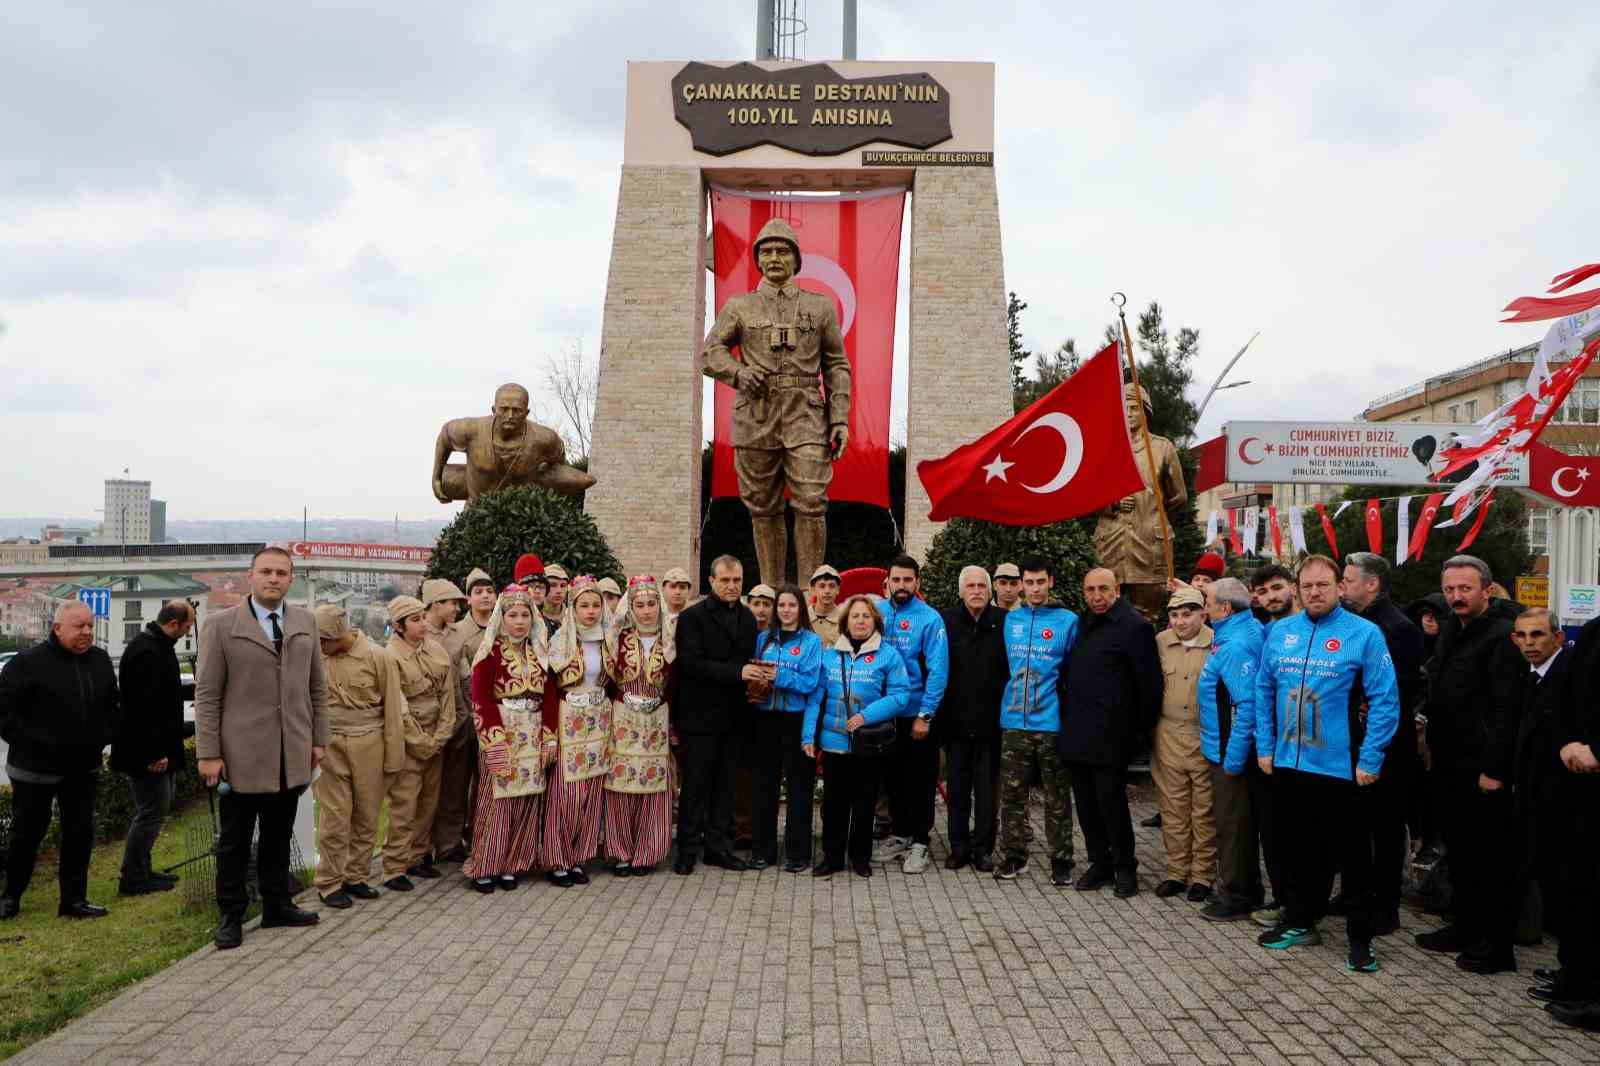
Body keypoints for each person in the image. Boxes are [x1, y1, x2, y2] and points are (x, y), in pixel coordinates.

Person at [1253, 555, 1399, 973]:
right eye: (1307, 585)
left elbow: (1386, 700)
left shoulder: (1364, 634)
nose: (1315, 592)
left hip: (1342, 767)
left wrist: (1370, 757)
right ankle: (1301, 921)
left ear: (1340, 587)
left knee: (1354, 858)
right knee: (1298, 851)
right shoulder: (1281, 632)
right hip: (1289, 764)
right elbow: (1264, 689)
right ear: (1297, 589)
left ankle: (1361, 940)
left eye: (1323, 584)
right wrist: (1265, 746)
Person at [701, 216, 853, 586]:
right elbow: (710, 353)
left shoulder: (820, 307)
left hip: (807, 416)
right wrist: (738, 373)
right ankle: (770, 592)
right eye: (766, 251)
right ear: (757, 260)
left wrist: (840, 418)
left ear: (796, 260)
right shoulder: (740, 306)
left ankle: (810, 595)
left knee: (811, 501)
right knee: (762, 507)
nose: (774, 258)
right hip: (756, 414)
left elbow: (836, 364)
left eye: (782, 251)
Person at [195, 546, 329, 949]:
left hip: (291, 752)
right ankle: (231, 915)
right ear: (250, 576)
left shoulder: (305, 622)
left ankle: (277, 904)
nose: (274, 579)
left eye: (281, 573)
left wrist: (319, 739)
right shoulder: (221, 626)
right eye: (266, 571)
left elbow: (317, 688)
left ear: (291, 580)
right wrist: (208, 753)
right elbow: (207, 695)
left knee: (278, 834)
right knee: (234, 841)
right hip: (240, 755)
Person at [1413, 555, 1525, 975]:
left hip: (1482, 768)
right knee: (1459, 854)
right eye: (1450, 589)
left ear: (1486, 590)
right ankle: (1464, 927)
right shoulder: (1452, 629)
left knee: (1488, 860)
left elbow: (1506, 710)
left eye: (1465, 588)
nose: (1456, 596)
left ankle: (1495, 947)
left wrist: (1495, 769)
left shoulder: (1501, 636)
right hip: (1448, 761)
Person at [0, 602, 120, 922]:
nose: (87, 632)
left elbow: (112, 706)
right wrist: (35, 744)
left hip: (83, 768)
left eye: (90, 626)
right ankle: (10, 897)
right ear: (57, 628)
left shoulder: (99, 660)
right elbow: (5, 714)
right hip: (34, 769)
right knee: (27, 835)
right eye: (79, 626)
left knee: (79, 834)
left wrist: (104, 736)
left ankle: (74, 900)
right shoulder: (26, 663)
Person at [1337, 552, 1425, 934]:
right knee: (1354, 825)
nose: (1342, 588)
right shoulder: (1350, 622)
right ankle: (1354, 894)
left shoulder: (1398, 628)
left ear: (1371, 584)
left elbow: (1396, 693)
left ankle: (1386, 906)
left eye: (1348, 581)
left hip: (1387, 746)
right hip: (1351, 741)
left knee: (1385, 829)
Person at [1060, 568, 1160, 898]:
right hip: (1078, 732)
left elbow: (1149, 687)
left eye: (1103, 589)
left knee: (1112, 806)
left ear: (1116, 590)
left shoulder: (1135, 627)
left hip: (1112, 737)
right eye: (1090, 590)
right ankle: (1099, 863)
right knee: (1086, 806)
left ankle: (1125, 867)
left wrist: (1137, 736)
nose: (1096, 596)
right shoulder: (1082, 623)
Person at [1497, 609, 1577, 1009]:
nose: (1530, 643)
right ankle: (1570, 968)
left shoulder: (1567, 677)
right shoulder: (1531, 677)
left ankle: (1577, 974)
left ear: (1558, 638)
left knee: (1568, 892)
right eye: (1522, 636)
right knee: (1553, 888)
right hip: (1534, 798)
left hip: (1563, 802)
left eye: (1538, 635)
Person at [804, 595, 911, 878]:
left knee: (865, 803)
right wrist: (808, 736)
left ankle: (860, 858)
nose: (860, 621)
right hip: (835, 744)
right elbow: (815, 699)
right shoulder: (830, 656)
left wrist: (866, 716)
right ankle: (832, 858)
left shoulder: (889, 655)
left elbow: (901, 695)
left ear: (875, 620)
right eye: (855, 616)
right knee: (833, 804)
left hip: (869, 744)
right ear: (846, 622)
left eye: (866, 616)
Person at [1195, 578, 1279, 923]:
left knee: (1233, 827)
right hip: (1228, 749)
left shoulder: (1235, 645)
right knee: (1238, 824)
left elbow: (1247, 705)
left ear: (1226, 608)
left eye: (1208, 602)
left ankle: (1236, 895)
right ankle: (1244, 889)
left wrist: (1232, 760)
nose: (1205, 609)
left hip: (1231, 753)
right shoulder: (1241, 631)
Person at [311, 604, 405, 909]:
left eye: (323, 640)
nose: (318, 646)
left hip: (369, 741)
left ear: (339, 635)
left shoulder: (378, 657)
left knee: (367, 814)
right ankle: (329, 882)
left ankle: (356, 876)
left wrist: (393, 757)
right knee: (335, 817)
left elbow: (392, 709)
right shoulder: (316, 658)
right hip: (330, 743)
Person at [673, 555, 761, 875]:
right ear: (711, 581)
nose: (732, 586)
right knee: (695, 787)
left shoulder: (748, 618)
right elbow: (691, 664)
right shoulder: (692, 617)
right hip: (700, 718)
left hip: (735, 717)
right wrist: (739, 672)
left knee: (726, 788)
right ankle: (686, 851)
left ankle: (718, 849)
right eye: (725, 580)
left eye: (737, 580)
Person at [465, 584, 554, 893]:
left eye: (525, 615)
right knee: (496, 802)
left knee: (527, 800)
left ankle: (514, 864)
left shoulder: (539, 652)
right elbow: (481, 700)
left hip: (532, 734)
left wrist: (549, 737)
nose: (519, 621)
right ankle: (486, 865)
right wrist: (494, 742)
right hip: (502, 733)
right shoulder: (489, 653)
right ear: (501, 618)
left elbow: (550, 697)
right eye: (513, 615)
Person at [994, 558, 1077, 885]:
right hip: (1014, 721)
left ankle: (1062, 860)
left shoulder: (1067, 621)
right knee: (1012, 795)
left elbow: (1073, 673)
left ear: (1050, 582)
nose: (1035, 588)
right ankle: (1014, 856)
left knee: (1057, 796)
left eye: (1040, 581)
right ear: (1021, 585)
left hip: (1050, 723)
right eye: (1028, 583)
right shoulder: (1011, 620)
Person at [110, 599, 195, 897]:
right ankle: (132, 878)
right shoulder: (146, 652)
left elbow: (164, 693)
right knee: (151, 812)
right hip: (148, 752)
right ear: (174, 623)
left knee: (158, 809)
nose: (188, 632)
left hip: (158, 748)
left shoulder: (157, 646)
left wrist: (196, 689)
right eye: (187, 626)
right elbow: (142, 709)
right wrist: (154, 753)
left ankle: (143, 869)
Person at [872, 555, 949, 875]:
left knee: (921, 780)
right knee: (893, 778)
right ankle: (901, 834)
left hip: (916, 715)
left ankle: (920, 841)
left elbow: (938, 671)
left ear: (917, 582)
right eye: (896, 579)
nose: (901, 585)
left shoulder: (930, 619)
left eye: (907, 580)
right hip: (884, 715)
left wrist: (925, 715)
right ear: (887, 582)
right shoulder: (876, 612)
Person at [380, 594, 458, 891]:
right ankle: (394, 867)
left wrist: (441, 736)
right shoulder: (390, 657)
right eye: (415, 620)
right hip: (409, 742)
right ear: (398, 626)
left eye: (423, 618)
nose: (423, 624)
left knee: (428, 802)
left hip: (436, 737)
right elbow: (397, 707)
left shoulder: (435, 650)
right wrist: (422, 742)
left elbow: (448, 697)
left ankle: (418, 856)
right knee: (404, 805)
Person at [601, 576, 677, 877]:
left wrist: (671, 718)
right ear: (630, 608)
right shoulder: (617, 638)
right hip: (623, 718)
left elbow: (677, 683)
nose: (646, 611)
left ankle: (648, 852)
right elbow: (606, 681)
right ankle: (621, 852)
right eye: (640, 605)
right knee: (621, 784)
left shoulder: (670, 639)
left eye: (651, 604)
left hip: (657, 719)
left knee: (652, 785)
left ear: (659, 606)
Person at [1547, 614, 1600, 1031]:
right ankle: (1580, 979)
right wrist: (1568, 741)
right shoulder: (1596, 630)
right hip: (1580, 780)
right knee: (1581, 885)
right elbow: (1570, 693)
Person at [544, 576, 613, 887]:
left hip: (599, 721)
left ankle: (579, 857)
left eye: (596, 605)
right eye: (584, 605)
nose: (591, 611)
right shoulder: (561, 642)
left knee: (592, 793)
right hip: (569, 719)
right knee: (567, 794)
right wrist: (550, 732)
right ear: (573, 608)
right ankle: (557, 858)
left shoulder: (608, 641)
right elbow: (549, 689)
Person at [939, 565, 1008, 873]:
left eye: (982, 586)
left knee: (986, 794)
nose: (977, 591)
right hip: (955, 724)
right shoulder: (946, 621)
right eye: (971, 586)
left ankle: (983, 849)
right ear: (961, 591)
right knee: (956, 793)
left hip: (991, 725)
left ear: (990, 591)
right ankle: (958, 848)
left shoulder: (1004, 622)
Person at [750, 585, 823, 871]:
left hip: (796, 719)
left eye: (792, 605)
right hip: (765, 718)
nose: (786, 610)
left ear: (800, 608)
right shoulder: (763, 639)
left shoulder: (812, 642)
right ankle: (763, 851)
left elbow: (810, 682)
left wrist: (778, 676)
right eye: (781, 605)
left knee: (799, 788)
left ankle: (798, 853)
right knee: (764, 786)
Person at [1152, 586, 1215, 902]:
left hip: (1203, 734)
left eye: (1187, 614)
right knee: (1173, 808)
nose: (1180, 621)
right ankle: (1177, 871)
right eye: (1174, 615)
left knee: (1204, 810)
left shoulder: (1216, 643)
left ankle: (1202, 875)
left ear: (1203, 614)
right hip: (1168, 734)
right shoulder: (1161, 642)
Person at [439, 566, 495, 863]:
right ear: (468, 599)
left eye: (489, 591)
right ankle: (450, 842)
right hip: (465, 718)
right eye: (478, 592)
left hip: (497, 718)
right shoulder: (457, 632)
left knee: (488, 783)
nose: (485, 596)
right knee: (457, 783)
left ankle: (482, 836)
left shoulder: (504, 625)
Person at [422, 577, 474, 866]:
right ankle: (421, 847)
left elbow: (465, 676)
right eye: (452, 603)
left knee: (456, 784)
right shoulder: (419, 632)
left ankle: (449, 843)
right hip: (429, 720)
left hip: (459, 717)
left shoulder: (457, 635)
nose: (456, 608)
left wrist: (472, 710)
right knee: (426, 788)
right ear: (435, 604)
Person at [809, 565, 844, 646]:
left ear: (838, 589)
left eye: (832, 586)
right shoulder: (802, 618)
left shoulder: (845, 620)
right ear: (813, 589)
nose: (827, 591)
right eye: (822, 586)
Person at [542, 564, 570, 631]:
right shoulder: (533, 615)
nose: (559, 591)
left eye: (563, 585)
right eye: (553, 585)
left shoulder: (572, 615)